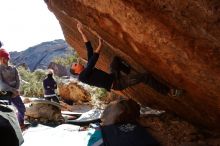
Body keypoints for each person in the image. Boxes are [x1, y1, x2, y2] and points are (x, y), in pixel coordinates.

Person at [70, 22, 183, 97]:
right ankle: (169, 92)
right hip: (117, 83)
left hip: (113, 76)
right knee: (146, 76)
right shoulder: (83, 77)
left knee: (116, 60)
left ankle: (129, 72)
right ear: (76, 71)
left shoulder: (85, 71)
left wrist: (81, 32)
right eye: (75, 65)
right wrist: (100, 45)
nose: (77, 63)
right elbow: (93, 60)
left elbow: (89, 49)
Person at [0, 48, 26, 129]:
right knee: (7, 112)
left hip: (15, 93)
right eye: (2, 58)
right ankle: (9, 129)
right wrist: (13, 90)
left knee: (22, 108)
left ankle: (20, 124)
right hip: (4, 94)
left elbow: (18, 80)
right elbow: (1, 84)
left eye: (6, 58)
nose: (5, 60)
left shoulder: (14, 69)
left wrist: (16, 90)